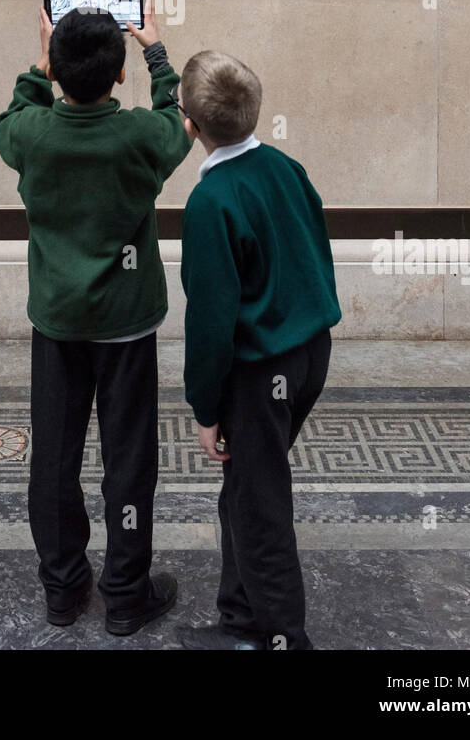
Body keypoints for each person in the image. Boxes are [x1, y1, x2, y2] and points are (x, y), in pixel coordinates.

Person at [0, 0, 192, 635]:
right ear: (119, 73)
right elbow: (179, 116)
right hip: (127, 321)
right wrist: (155, 51)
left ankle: (62, 589)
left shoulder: (32, 134)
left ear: (56, 69)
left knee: (53, 457)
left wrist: (38, 62)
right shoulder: (138, 136)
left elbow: (11, 117)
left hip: (57, 320)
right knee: (128, 459)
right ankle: (126, 594)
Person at [174, 50, 341, 651]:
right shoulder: (286, 166)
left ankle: (283, 639)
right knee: (246, 491)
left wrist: (205, 408)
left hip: (259, 373)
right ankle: (240, 622)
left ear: (189, 126)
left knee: (259, 505)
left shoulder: (211, 201)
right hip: (309, 353)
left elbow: (210, 319)